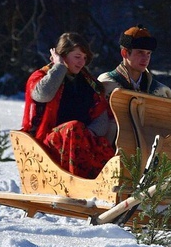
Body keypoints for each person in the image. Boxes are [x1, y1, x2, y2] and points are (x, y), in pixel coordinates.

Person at [22, 32, 115, 179]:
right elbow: (43, 95)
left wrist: (87, 134)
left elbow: (101, 118)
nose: (81, 62)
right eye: (77, 57)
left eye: (84, 58)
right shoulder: (42, 76)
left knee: (95, 137)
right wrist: (59, 67)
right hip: (48, 143)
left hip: (81, 140)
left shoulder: (89, 83)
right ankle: (75, 181)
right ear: (62, 55)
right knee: (73, 128)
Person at [98, 24, 171, 99]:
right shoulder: (105, 84)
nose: (145, 58)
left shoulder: (162, 91)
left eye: (148, 53)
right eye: (140, 52)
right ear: (124, 53)